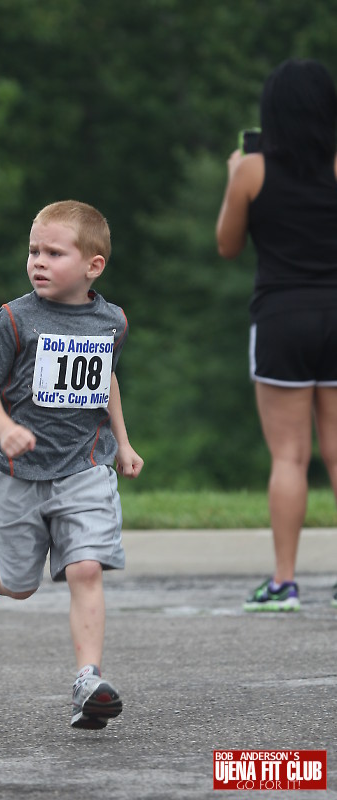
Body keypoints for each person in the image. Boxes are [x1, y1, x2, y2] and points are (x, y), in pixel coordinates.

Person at [0, 199, 144, 727]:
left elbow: (106, 381)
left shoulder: (112, 321)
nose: (38, 261)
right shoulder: (15, 318)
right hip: (17, 475)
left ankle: (89, 680)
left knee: (85, 567)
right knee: (20, 583)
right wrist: (5, 427)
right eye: (33, 251)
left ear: (93, 266)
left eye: (54, 253)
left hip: (85, 469)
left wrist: (123, 443)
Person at [216, 58, 337, 612]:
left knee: (289, 456)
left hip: (282, 317)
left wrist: (232, 176)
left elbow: (228, 245)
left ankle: (284, 582)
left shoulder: (252, 170)